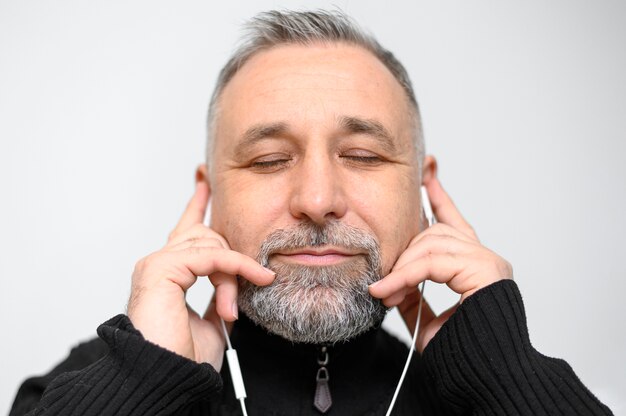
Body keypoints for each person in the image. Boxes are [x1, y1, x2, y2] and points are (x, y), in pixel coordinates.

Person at [10, 9, 613, 416]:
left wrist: (502, 376)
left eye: (363, 155)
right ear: (209, 194)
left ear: (424, 192)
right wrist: (142, 382)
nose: (318, 200)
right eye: (270, 160)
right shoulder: (88, 387)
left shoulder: (493, 392)